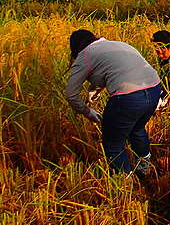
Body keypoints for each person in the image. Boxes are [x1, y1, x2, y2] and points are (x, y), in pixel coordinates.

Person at [65, 29, 161, 175]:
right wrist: (95, 90)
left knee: (113, 144)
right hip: (154, 89)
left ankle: (125, 182)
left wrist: (88, 112)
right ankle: (145, 169)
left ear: (76, 47)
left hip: (128, 97)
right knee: (137, 129)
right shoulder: (117, 44)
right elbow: (115, 70)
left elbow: (71, 94)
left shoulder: (84, 55)